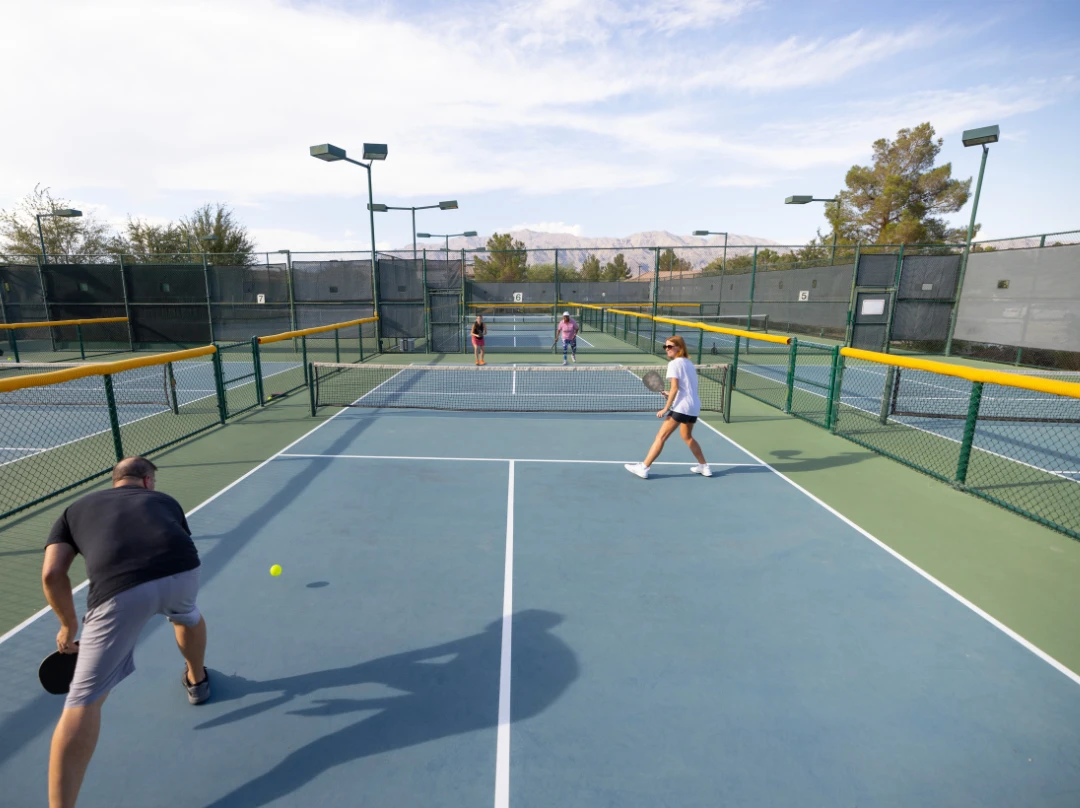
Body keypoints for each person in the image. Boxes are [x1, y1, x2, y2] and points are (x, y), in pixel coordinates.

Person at [42, 456, 209, 808]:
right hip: (183, 571)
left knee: (84, 700)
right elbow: (172, 543)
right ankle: (197, 680)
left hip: (121, 593)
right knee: (187, 615)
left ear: (115, 480)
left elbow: (52, 575)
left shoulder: (74, 510)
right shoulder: (165, 501)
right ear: (148, 481)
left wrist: (68, 625)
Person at [624, 335, 711, 479]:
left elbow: (676, 388)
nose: (667, 349)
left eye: (670, 346)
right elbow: (686, 388)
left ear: (679, 347)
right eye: (665, 347)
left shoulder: (674, 364)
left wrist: (666, 408)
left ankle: (644, 467)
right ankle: (704, 466)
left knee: (661, 436)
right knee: (687, 436)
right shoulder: (689, 363)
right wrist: (669, 393)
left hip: (681, 407)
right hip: (694, 406)